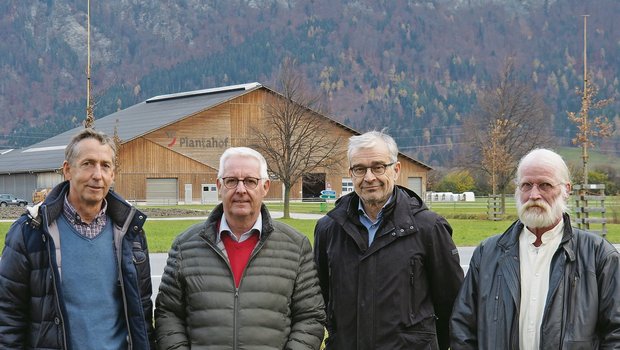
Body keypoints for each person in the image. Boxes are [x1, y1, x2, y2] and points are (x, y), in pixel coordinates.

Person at [155, 146, 326, 349]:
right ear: (219, 185)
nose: (241, 190)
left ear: (265, 187)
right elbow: (168, 314)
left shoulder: (295, 246)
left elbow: (310, 317)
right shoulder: (185, 245)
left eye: (250, 181)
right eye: (232, 181)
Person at [450, 148, 620, 349]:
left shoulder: (599, 256)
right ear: (517, 189)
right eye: (526, 185)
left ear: (566, 190)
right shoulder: (487, 254)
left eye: (545, 185)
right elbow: (463, 328)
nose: (534, 195)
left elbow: (615, 333)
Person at [0, 128, 154, 349]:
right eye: (88, 163)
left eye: (105, 166)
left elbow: (142, 314)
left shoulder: (132, 233)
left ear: (113, 175)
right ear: (67, 170)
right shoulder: (31, 232)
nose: (97, 175)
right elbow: (8, 318)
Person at [313, 130, 464, 350]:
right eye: (360, 169)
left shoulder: (428, 228)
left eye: (378, 167)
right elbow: (323, 299)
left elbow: (452, 303)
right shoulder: (329, 229)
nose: (369, 177)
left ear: (396, 170)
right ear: (350, 173)